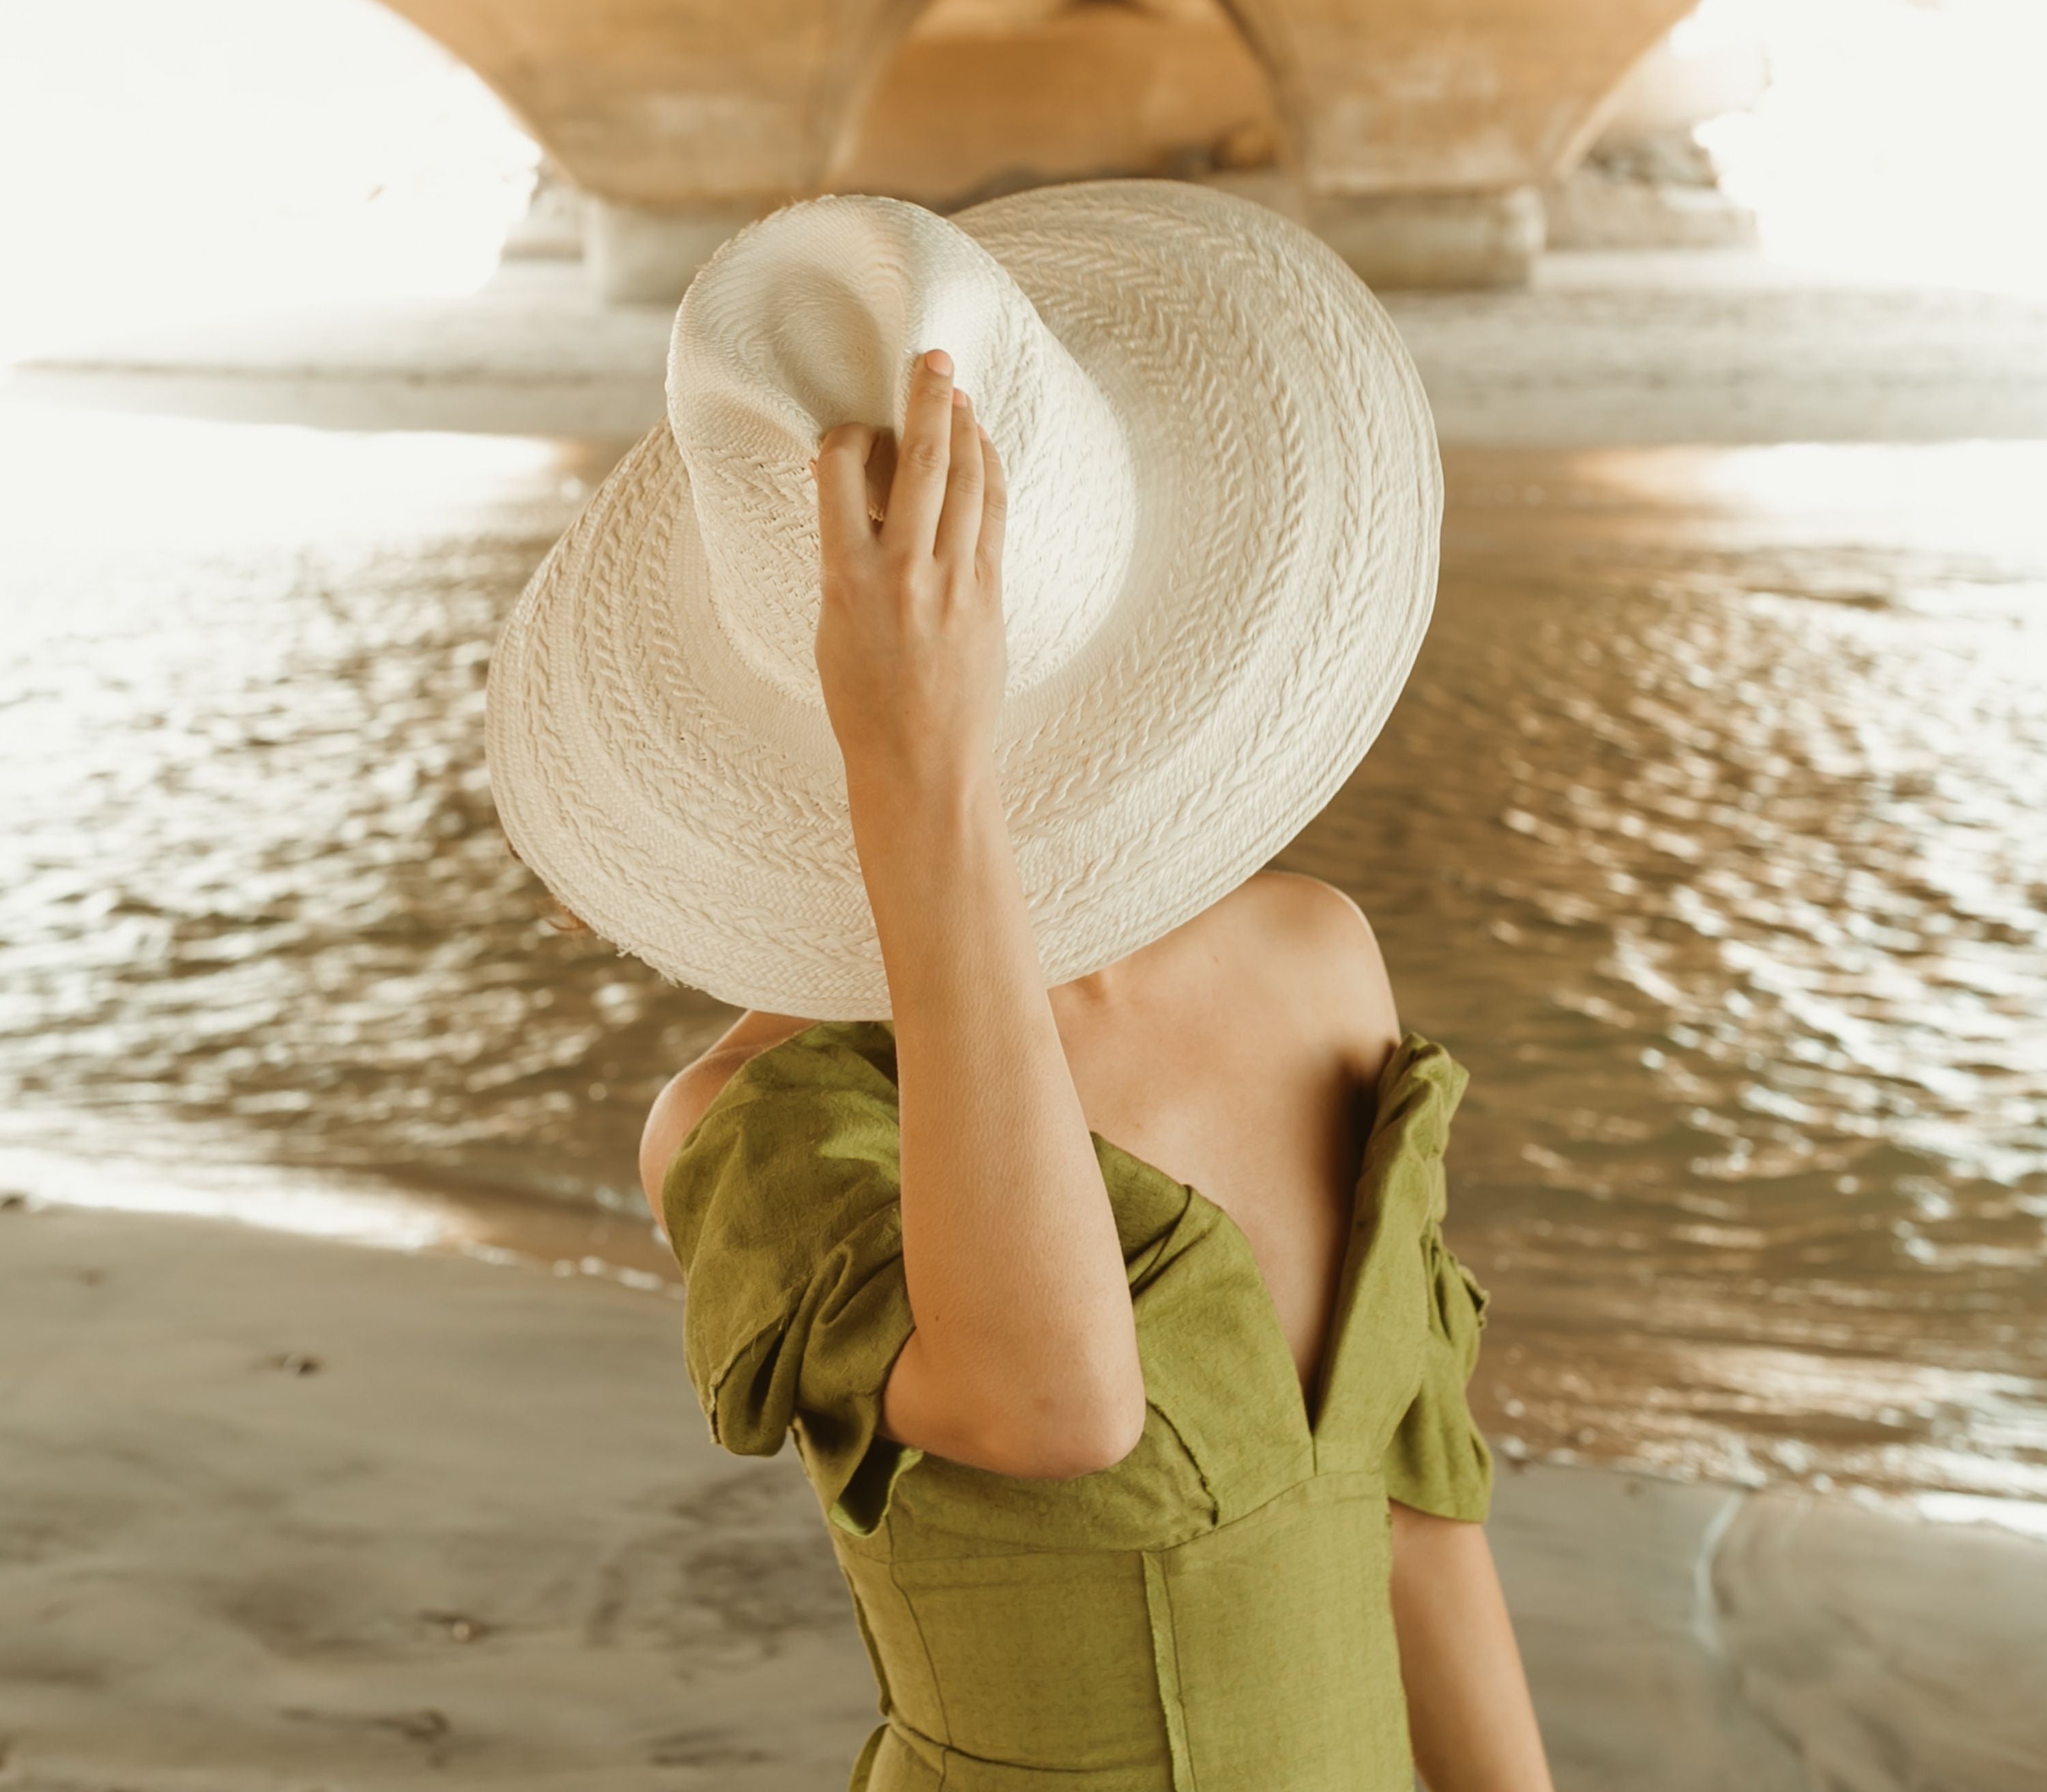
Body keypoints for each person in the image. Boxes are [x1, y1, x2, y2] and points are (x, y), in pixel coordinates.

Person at [488, 182, 1553, 1791]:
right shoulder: (766, 1125)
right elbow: (1060, 1405)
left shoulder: (1314, 958)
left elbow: (1419, 1525)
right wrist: (922, 781)